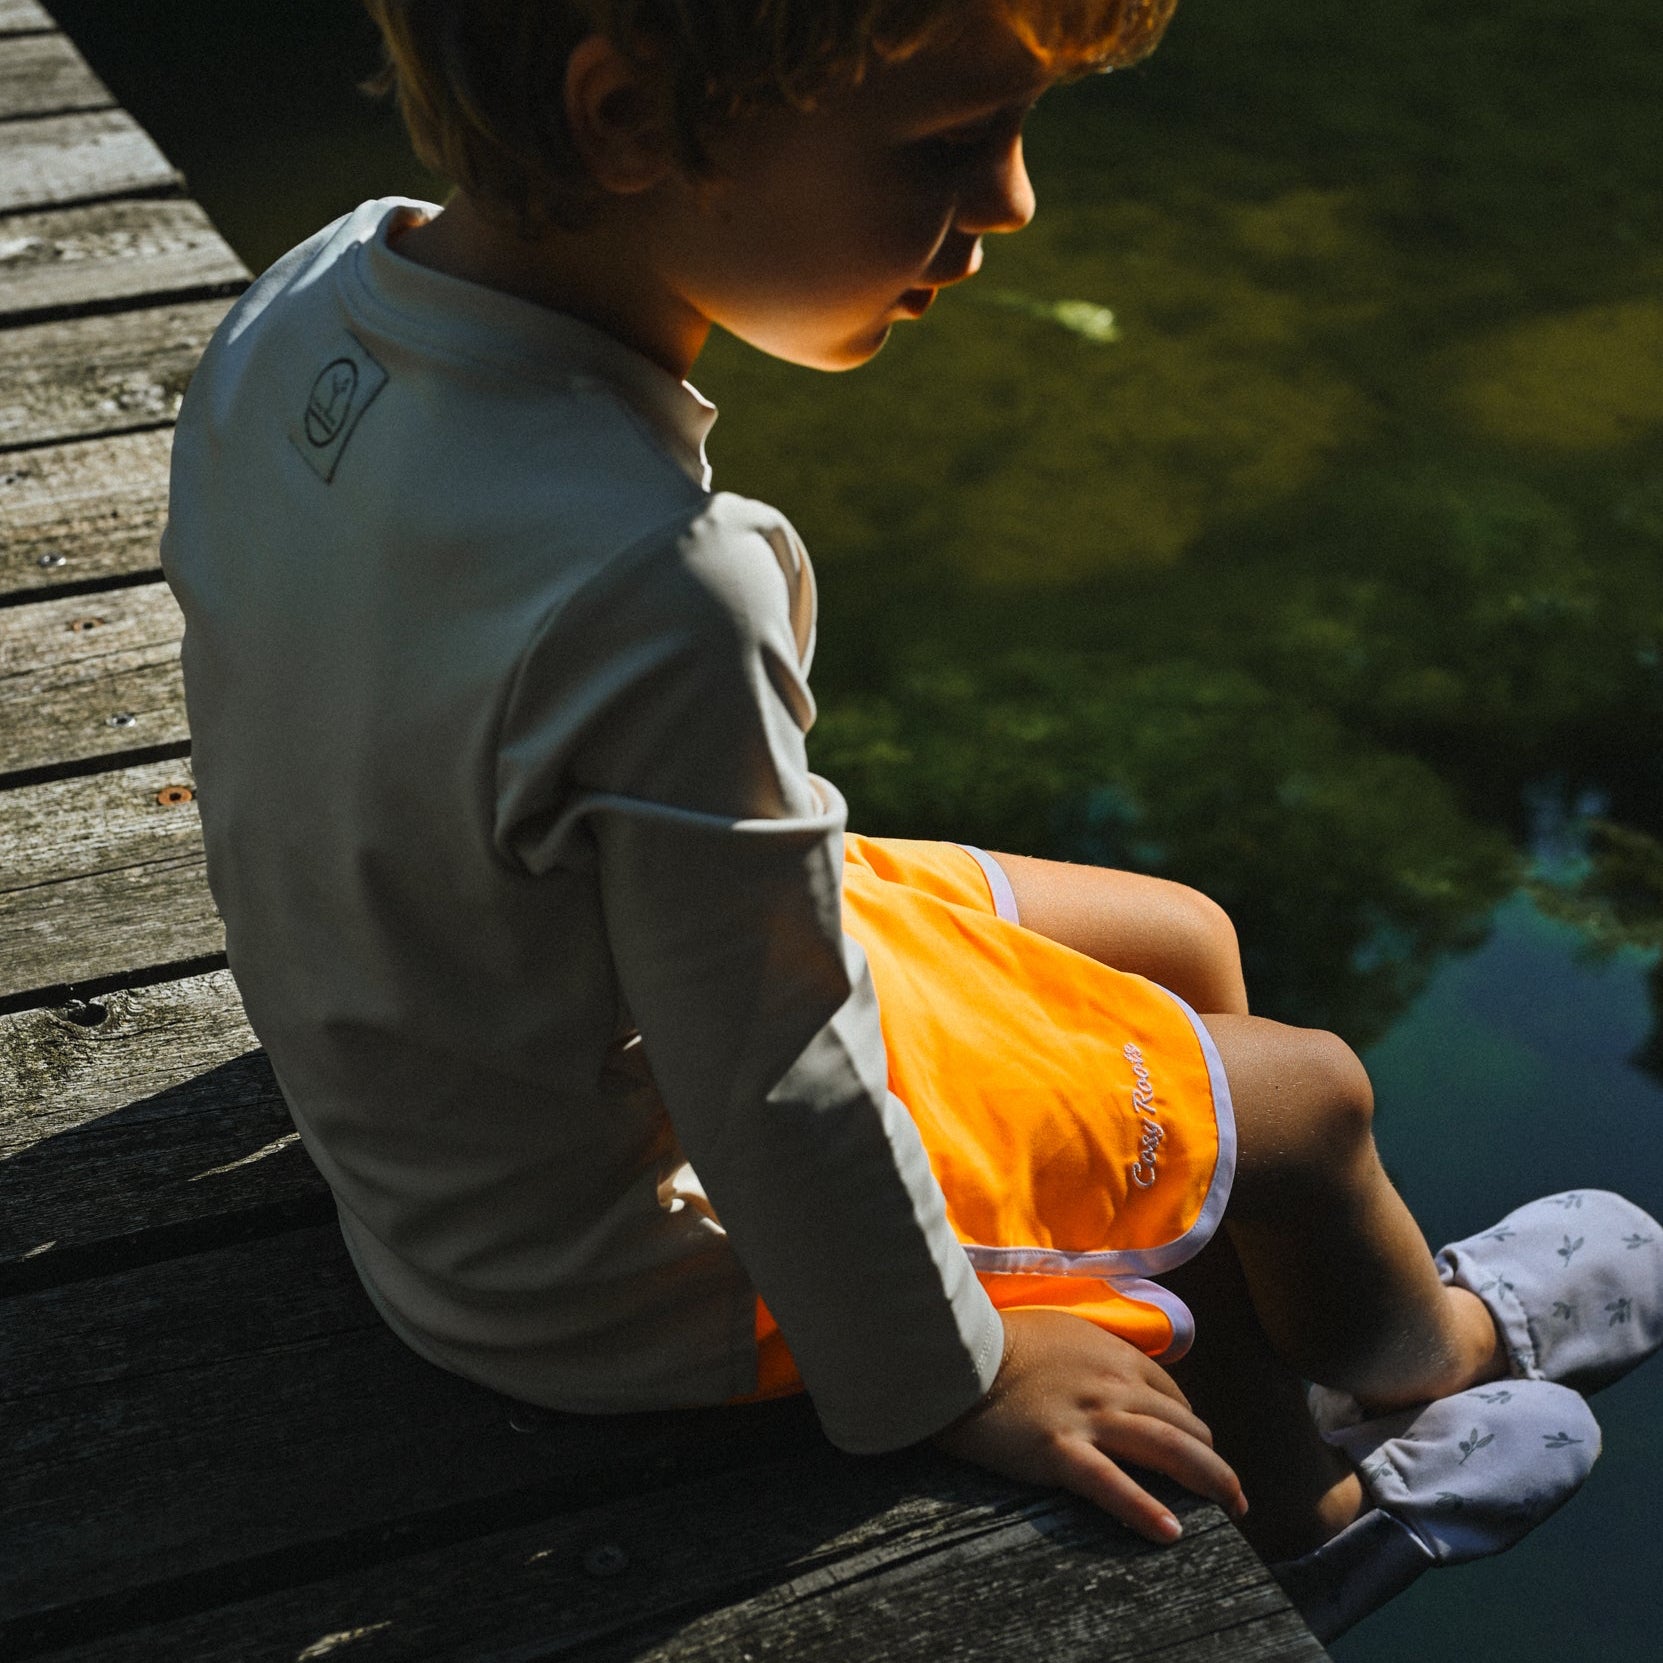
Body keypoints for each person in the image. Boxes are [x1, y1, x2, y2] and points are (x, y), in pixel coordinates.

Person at [161, 0, 1661, 1638]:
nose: (1015, 201)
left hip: (497, 1012)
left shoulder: (314, 294)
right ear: (626, 124)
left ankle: (1264, 1367)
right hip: (591, 1264)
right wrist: (956, 1366)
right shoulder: (657, 585)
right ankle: (1357, 1451)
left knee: (1184, 940)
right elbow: (780, 1087)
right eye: (950, 145)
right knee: (1309, 1099)